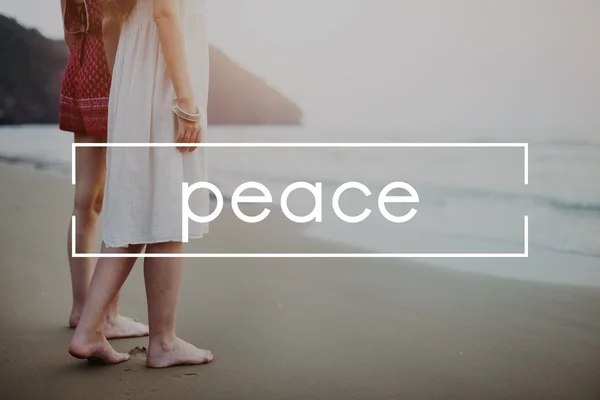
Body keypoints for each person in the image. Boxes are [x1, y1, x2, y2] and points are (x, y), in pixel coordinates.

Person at [68, 0, 214, 368]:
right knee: (166, 209)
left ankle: (88, 331)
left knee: (136, 209)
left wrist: (130, 93)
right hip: (160, 83)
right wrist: (185, 102)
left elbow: (112, 22)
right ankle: (163, 342)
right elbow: (165, 14)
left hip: (138, 77)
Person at [59, 0, 149, 339]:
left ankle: (81, 307)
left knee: (86, 198)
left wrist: (85, 63)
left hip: (78, 71)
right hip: (108, 77)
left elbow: (70, 30)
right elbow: (112, 24)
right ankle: (107, 316)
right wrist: (118, 80)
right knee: (113, 198)